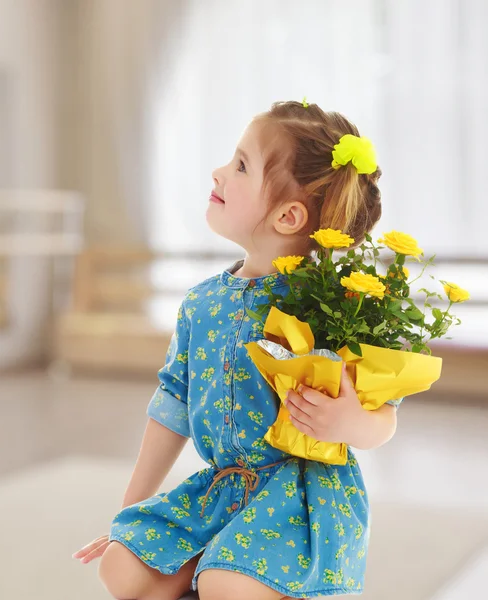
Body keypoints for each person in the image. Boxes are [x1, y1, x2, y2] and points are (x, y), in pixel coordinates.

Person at [73, 101, 401, 600]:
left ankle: (239, 577)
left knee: (226, 586)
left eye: (241, 165)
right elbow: (173, 406)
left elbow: (385, 417)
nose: (220, 172)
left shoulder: (331, 305)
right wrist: (130, 512)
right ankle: (218, 564)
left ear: (289, 215)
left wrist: (350, 423)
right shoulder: (201, 303)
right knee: (121, 567)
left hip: (302, 501)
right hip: (221, 491)